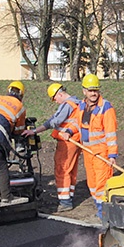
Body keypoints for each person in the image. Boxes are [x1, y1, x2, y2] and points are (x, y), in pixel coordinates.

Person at [23, 83, 82, 212]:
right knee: (71, 170)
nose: (55, 102)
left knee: (62, 169)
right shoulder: (78, 103)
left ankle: (65, 202)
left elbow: (54, 121)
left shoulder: (67, 105)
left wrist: (35, 131)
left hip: (67, 142)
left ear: (59, 94)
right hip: (76, 140)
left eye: (55, 98)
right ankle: (68, 196)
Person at [75, 74, 118, 218]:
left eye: (96, 90)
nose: (93, 93)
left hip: (101, 153)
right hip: (87, 151)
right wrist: (69, 131)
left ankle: (104, 213)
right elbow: (77, 125)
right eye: (90, 90)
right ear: (84, 91)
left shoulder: (105, 107)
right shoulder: (81, 106)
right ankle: (99, 209)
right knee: (92, 184)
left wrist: (112, 155)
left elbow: (111, 133)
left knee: (101, 184)